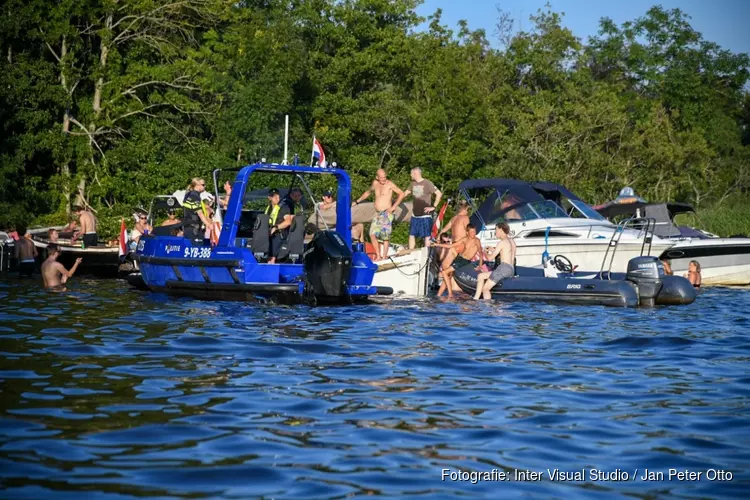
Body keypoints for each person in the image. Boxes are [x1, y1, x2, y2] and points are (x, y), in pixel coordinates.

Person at [352, 169, 405, 261]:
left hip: (386, 213)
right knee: (372, 234)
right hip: (377, 213)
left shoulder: (389, 184)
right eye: (381, 178)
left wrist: (393, 207)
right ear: (377, 177)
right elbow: (368, 193)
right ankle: (378, 255)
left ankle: (384, 256)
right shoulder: (375, 184)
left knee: (385, 235)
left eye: (385, 177)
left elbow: (401, 193)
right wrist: (357, 202)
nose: (384, 179)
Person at [434, 224, 483, 298]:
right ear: (467, 232)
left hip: (464, 261)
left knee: (444, 272)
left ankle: (450, 294)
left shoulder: (477, 241)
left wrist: (480, 266)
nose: (474, 233)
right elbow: (451, 246)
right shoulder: (465, 239)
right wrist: (437, 244)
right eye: (472, 232)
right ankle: (438, 295)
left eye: (474, 231)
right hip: (459, 258)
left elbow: (481, 253)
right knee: (447, 277)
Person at [474, 222, 516, 300]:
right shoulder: (512, 241)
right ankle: (476, 298)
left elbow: (490, 258)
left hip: (503, 268)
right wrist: (493, 249)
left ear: (500, 229)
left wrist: (485, 252)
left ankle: (487, 306)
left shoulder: (501, 242)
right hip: (511, 269)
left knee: (486, 289)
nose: (495, 232)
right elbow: (507, 254)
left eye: (496, 229)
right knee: (481, 276)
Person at [403, 167, 442, 249]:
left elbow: (439, 193)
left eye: (411, 173)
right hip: (415, 215)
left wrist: (433, 207)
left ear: (415, 174)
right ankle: (411, 253)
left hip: (425, 215)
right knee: (411, 234)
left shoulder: (427, 183)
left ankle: (426, 254)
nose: (410, 175)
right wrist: (394, 201)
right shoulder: (412, 184)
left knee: (427, 236)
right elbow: (404, 194)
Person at [265, 188, 292, 264]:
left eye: (278, 196)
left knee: (271, 256)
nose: (277, 198)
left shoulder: (284, 207)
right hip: (269, 233)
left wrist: (276, 227)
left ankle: (271, 268)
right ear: (269, 198)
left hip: (279, 234)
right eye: (274, 197)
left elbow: (288, 221)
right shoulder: (269, 208)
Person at [182, 178, 213, 242]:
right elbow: (200, 214)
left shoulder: (188, 194)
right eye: (203, 185)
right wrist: (209, 225)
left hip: (188, 228)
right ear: (197, 185)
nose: (205, 186)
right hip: (193, 230)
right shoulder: (195, 197)